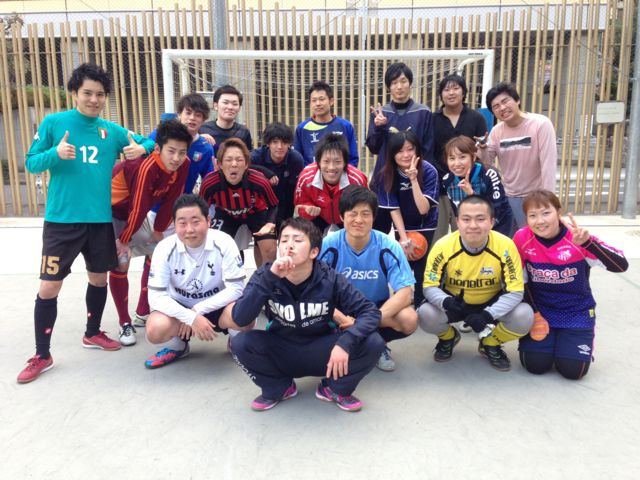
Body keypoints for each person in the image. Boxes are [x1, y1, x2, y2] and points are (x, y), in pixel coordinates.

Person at [17, 63, 155, 384]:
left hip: (99, 221)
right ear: (74, 93)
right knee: (49, 286)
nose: (94, 100)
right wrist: (55, 153)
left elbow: (149, 142)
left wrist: (141, 148)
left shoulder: (111, 130)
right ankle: (42, 354)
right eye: (87, 93)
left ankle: (92, 333)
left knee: (98, 279)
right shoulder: (54, 123)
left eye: (100, 94)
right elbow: (31, 162)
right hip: (61, 221)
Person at [230, 217, 385, 412]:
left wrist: (345, 343)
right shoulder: (265, 275)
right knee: (240, 343)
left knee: (374, 342)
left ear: (314, 252)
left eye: (297, 240)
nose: (289, 246)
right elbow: (240, 318)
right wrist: (270, 278)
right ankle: (279, 387)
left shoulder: (330, 278)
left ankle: (334, 389)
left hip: (323, 350)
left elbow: (370, 312)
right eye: (284, 240)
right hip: (280, 348)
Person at [514, 190, 628, 380]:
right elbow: (519, 281)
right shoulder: (522, 238)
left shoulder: (578, 237)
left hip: (577, 312)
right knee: (534, 365)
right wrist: (535, 313)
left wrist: (589, 244)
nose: (540, 221)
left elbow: (621, 265)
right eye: (532, 215)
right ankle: (551, 342)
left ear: (559, 212)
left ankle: (572, 342)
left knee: (574, 371)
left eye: (546, 213)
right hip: (541, 311)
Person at [417, 195, 534, 371]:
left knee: (524, 315)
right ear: (457, 221)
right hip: (456, 303)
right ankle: (448, 337)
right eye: (466, 219)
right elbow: (429, 286)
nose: (473, 225)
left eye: (480, 219)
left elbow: (516, 291)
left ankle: (490, 343)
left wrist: (488, 315)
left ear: (491, 222)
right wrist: (446, 302)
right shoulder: (442, 246)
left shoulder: (506, 245)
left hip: (491, 303)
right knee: (425, 314)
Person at [134, 93, 215, 328]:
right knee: (151, 258)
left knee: (176, 259)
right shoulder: (160, 134)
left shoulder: (204, 147)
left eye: (198, 115)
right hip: (151, 209)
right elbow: (144, 153)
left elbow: (208, 181)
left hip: (179, 213)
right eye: (188, 113)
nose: (192, 118)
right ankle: (143, 309)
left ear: (204, 120)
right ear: (179, 114)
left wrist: (205, 212)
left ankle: (177, 307)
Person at [144, 194, 252, 368]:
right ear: (174, 224)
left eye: (196, 222)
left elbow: (237, 288)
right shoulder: (164, 248)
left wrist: (198, 310)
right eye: (182, 223)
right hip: (181, 309)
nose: (189, 229)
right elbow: (156, 297)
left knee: (245, 315)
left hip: (218, 306)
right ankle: (177, 347)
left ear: (208, 221)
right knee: (155, 328)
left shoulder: (224, 242)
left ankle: (235, 342)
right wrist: (190, 317)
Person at [109, 120, 191, 346]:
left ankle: (144, 311)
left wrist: (158, 231)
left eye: (182, 152)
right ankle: (124, 323)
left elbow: (172, 199)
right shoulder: (146, 167)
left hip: (135, 215)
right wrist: (124, 240)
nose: (176, 158)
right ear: (157, 148)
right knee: (121, 262)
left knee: (158, 251)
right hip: (111, 213)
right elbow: (138, 206)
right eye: (171, 151)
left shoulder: (183, 164)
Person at [319, 185, 417, 372]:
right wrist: (340, 317)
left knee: (409, 318)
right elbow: (313, 290)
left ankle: (378, 345)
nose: (359, 220)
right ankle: (341, 344)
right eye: (352, 214)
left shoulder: (388, 245)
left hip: (374, 309)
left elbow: (405, 294)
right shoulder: (328, 245)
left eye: (365, 214)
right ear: (341, 216)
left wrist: (364, 322)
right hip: (338, 309)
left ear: (374, 217)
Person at [476, 82, 557, 232]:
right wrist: (482, 149)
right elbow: (488, 163)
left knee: (536, 238)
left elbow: (548, 165)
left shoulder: (541, 124)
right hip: (508, 196)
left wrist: (548, 201)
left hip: (535, 196)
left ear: (517, 100)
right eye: (496, 106)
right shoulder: (497, 131)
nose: (502, 108)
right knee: (512, 239)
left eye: (505, 101)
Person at [366, 62, 435, 232]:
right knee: (378, 234)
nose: (399, 86)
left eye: (403, 81)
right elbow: (373, 148)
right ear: (388, 87)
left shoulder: (423, 112)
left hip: (411, 183)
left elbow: (427, 150)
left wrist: (418, 178)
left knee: (409, 237)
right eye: (394, 82)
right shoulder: (380, 114)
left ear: (410, 83)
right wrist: (379, 128)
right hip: (384, 182)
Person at [375, 130, 439, 307]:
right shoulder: (386, 174)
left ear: (417, 150)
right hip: (402, 224)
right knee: (402, 261)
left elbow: (424, 208)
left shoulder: (429, 171)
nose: (405, 155)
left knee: (421, 265)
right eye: (400, 151)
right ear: (392, 154)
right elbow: (394, 209)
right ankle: (400, 302)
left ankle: (420, 304)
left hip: (425, 224)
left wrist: (413, 180)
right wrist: (403, 238)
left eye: (410, 149)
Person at [199, 138, 278, 266]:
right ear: (220, 164)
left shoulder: (259, 181)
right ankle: (231, 275)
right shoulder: (209, 183)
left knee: (270, 249)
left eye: (239, 160)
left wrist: (270, 223)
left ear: (246, 164)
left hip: (256, 213)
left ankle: (265, 277)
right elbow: (201, 209)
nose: (234, 164)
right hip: (225, 214)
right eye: (228, 160)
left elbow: (273, 205)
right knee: (218, 248)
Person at [432, 74, 488, 242]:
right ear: (441, 94)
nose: (451, 93)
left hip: (469, 185)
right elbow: (428, 151)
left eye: (456, 88)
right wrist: (443, 177)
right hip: (440, 188)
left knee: (468, 234)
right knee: (438, 237)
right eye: (446, 89)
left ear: (464, 92)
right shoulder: (432, 119)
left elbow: (480, 152)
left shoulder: (476, 118)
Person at [294, 133, 368, 234]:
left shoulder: (357, 180)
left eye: (337, 162)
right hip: (317, 218)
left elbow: (364, 208)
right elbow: (299, 205)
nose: (331, 167)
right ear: (318, 162)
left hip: (347, 218)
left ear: (345, 163)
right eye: (326, 161)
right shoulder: (306, 178)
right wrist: (308, 210)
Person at [441, 135, 513, 236]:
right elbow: (457, 211)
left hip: (499, 226)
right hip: (472, 228)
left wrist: (472, 194)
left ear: (473, 157)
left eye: (462, 157)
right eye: (452, 158)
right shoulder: (448, 180)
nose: (456, 163)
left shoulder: (489, 174)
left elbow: (496, 209)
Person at [250, 122, 304, 230]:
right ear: (268, 143)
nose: (279, 147)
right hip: (258, 202)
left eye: (284, 142)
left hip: (284, 201)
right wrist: (266, 173)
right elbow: (243, 167)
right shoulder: (256, 156)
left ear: (289, 144)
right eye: (275, 142)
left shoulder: (296, 159)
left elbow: (292, 192)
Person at [294, 80, 359, 167]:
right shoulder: (302, 128)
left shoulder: (346, 126)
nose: (318, 103)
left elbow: (353, 159)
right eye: (314, 100)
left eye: (321, 99)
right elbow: (297, 160)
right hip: (311, 175)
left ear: (331, 101)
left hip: (340, 174)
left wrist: (341, 172)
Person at [199, 84, 253, 152]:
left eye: (235, 104)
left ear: (239, 108)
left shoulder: (244, 132)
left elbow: (248, 155)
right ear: (215, 106)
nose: (230, 107)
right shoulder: (202, 129)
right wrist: (198, 138)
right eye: (225, 103)